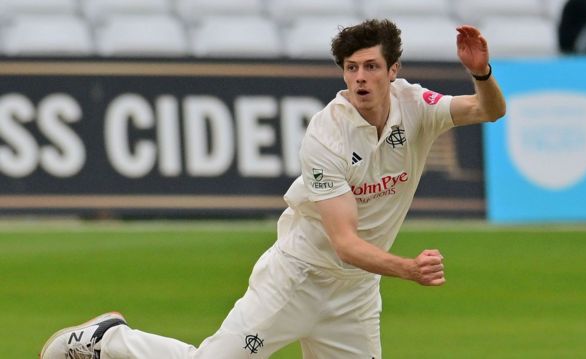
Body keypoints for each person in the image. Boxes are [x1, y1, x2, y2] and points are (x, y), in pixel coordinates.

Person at [40, 19, 506, 359]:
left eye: (370, 67)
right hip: (297, 279)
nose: (360, 78)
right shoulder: (327, 135)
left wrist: (481, 75)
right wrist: (408, 268)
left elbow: (489, 112)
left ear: (393, 69)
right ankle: (107, 339)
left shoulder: (415, 104)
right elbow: (344, 243)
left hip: (356, 295)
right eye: (350, 68)